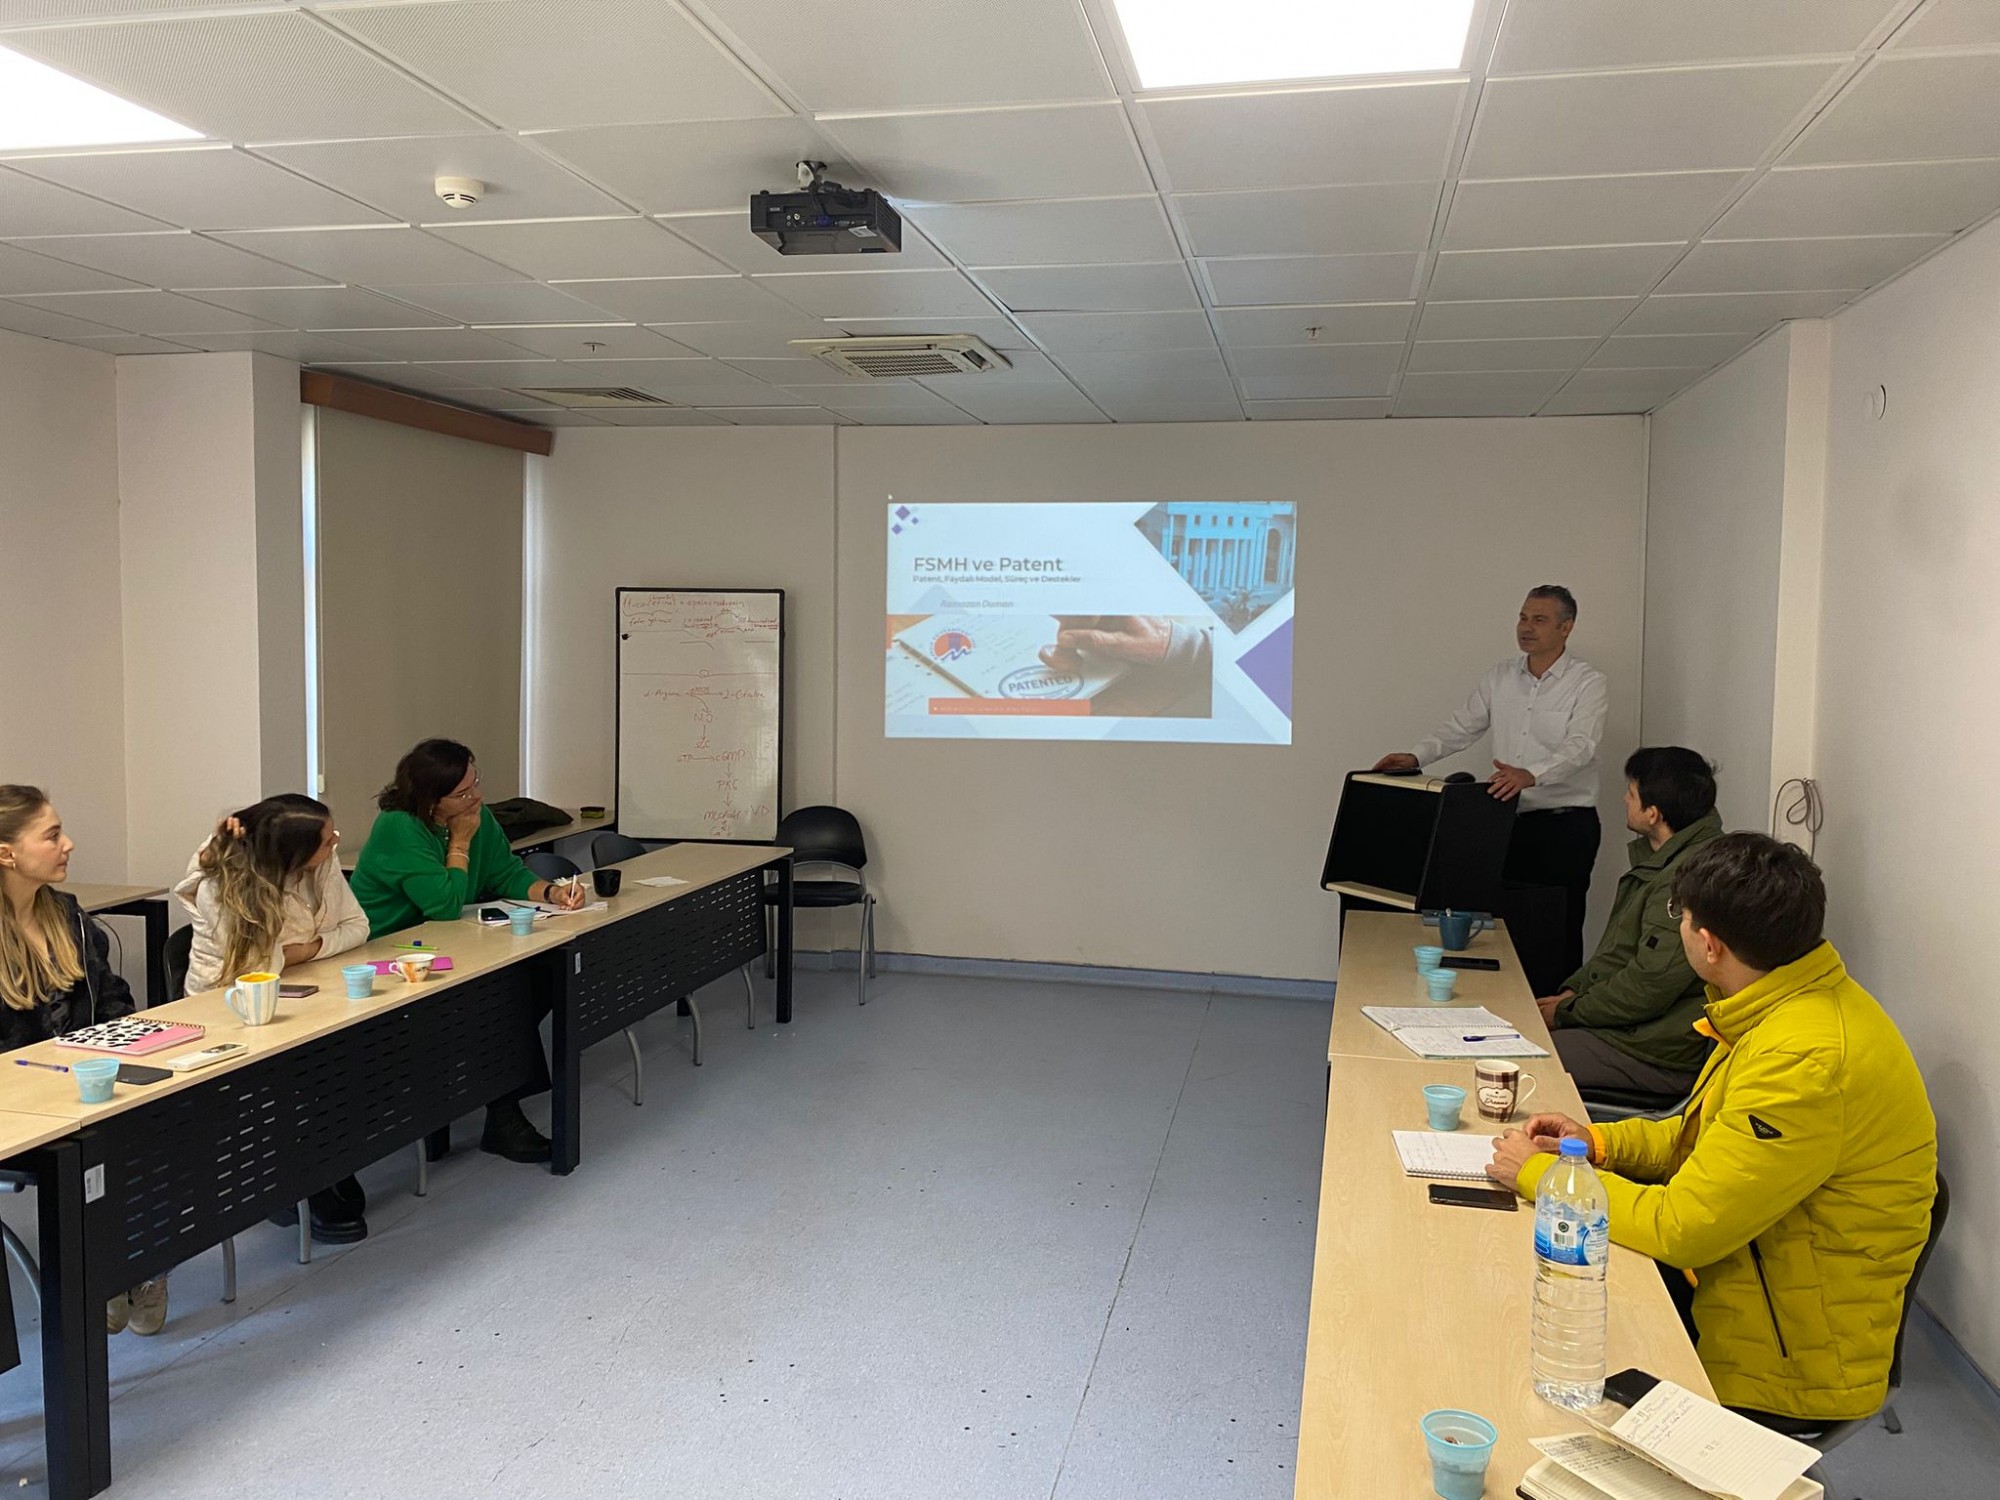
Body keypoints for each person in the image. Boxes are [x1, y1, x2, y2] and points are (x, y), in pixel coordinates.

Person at [1487, 834, 1938, 1428]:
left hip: (1781, 1368)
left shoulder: (1803, 1060)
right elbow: (1701, 1141)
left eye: (1681, 915)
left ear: (1708, 944)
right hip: (1744, 1288)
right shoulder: (1787, 1005)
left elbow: (1684, 1229)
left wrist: (1540, 1176)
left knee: (1525, 1369)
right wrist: (1595, 1145)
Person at [349, 740, 583, 1164]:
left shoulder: (477, 815)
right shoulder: (399, 827)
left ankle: (497, 1097)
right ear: (430, 799)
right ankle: (504, 1114)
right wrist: (459, 842)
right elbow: (443, 905)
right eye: (461, 793)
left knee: (546, 976)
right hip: (389, 955)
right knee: (497, 1002)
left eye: (475, 784)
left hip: (448, 945)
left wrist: (551, 892)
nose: (475, 797)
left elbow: (505, 873)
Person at [1374, 586, 1608, 987]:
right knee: (1504, 921)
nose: (1526, 627)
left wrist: (1531, 774)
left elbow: (1581, 747)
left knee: (1560, 926)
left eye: (1539, 620)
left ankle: (1557, 1011)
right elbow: (1462, 727)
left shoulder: (1588, 682)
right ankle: (1507, 1002)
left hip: (1565, 826)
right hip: (1505, 819)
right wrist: (1416, 756)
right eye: (1522, 617)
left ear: (1566, 627)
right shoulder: (1501, 676)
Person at [0, 786, 166, 1336]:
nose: (68, 844)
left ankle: (134, 1266)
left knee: (166, 1115)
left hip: (88, 1084)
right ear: (6, 853)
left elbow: (111, 994)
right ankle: (104, 1273)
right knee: (98, 1147)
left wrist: (124, 1043)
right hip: (23, 1109)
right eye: (51, 835)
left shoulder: (65, 913)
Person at [174, 793, 372, 1243]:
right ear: (291, 854)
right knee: (313, 1069)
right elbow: (257, 970)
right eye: (326, 840)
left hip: (298, 996)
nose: (335, 844)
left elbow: (359, 927)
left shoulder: (320, 863)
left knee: (354, 1050)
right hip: (225, 1015)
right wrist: (292, 954)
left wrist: (309, 949)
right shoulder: (223, 884)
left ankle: (329, 1164)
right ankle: (294, 1179)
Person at [1537, 747, 1723, 1101]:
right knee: (1520, 1035)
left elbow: (1648, 986)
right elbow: (1619, 953)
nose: (1624, 799)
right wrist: (1573, 994)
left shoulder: (1687, 877)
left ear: (1653, 813)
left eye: (1631, 793)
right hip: (1638, 1032)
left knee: (1521, 1059)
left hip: (1658, 1051)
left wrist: (1564, 1014)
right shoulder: (1668, 861)